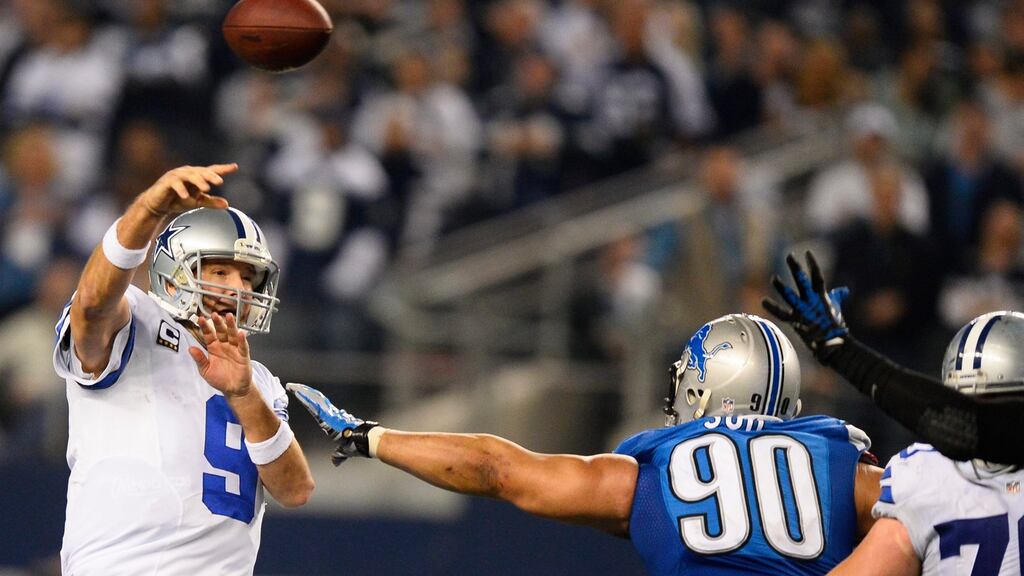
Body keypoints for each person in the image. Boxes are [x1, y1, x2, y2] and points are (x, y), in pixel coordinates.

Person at [289, 313, 883, 575]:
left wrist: (373, 437)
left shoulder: (654, 474)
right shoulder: (843, 464)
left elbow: (500, 469)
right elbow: (938, 513)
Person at [52, 164, 314, 575]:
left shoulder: (261, 383)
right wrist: (147, 212)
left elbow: (295, 490)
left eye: (249, 277)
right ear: (173, 278)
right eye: (221, 271)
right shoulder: (138, 320)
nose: (239, 289)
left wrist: (244, 397)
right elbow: (91, 307)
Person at [763, 251, 1024, 465]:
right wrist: (840, 350)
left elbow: (964, 425)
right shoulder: (929, 470)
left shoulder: (928, 468)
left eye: (997, 401)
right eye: (964, 399)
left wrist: (842, 352)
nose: (971, 411)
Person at [828, 311, 1024, 575]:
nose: (970, 422)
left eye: (994, 407)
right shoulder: (928, 474)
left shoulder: (927, 473)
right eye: (960, 405)